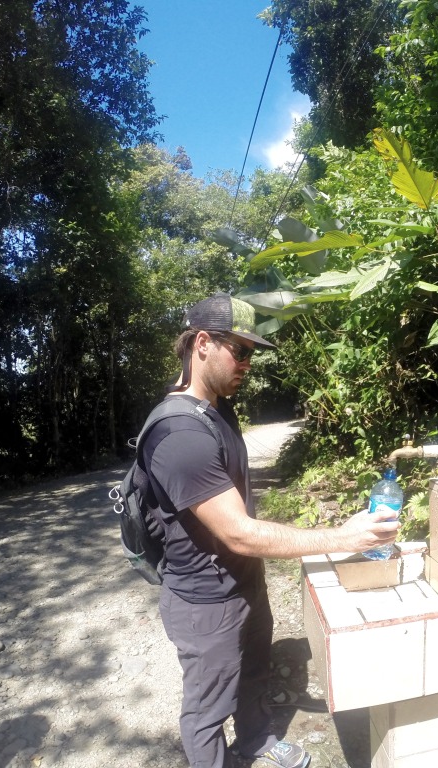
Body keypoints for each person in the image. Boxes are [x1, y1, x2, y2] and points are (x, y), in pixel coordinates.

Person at [143, 292, 399, 768]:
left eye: (252, 353)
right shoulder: (179, 434)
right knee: (206, 710)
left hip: (242, 582)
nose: (247, 363)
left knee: (255, 673)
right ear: (202, 343)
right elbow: (237, 532)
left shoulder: (216, 409)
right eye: (239, 350)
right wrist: (344, 538)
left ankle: (257, 740)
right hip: (204, 601)